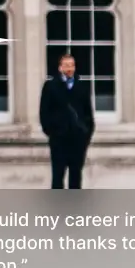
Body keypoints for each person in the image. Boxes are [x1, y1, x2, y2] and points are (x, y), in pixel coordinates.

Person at [39, 54, 96, 189]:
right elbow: (44, 112)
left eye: (72, 65)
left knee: (76, 177)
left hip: (78, 139)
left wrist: (86, 134)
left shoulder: (82, 86)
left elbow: (88, 113)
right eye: (66, 65)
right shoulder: (51, 86)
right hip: (59, 139)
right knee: (58, 176)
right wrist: (52, 132)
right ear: (60, 67)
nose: (69, 68)